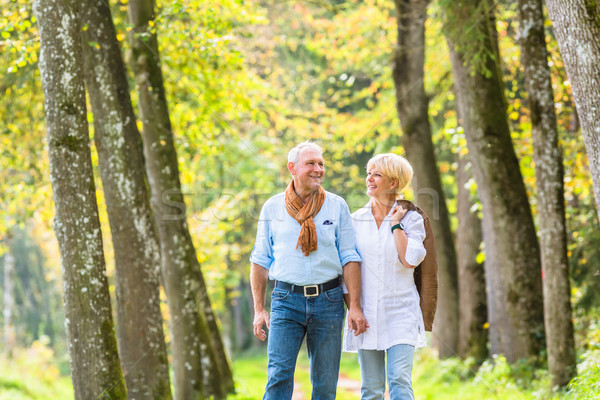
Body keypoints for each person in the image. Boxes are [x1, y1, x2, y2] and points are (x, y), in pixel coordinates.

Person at [250, 141, 368, 400]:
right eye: (311, 163)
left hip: (329, 300)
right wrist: (259, 310)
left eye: (321, 164)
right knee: (279, 376)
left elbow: (349, 257)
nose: (318, 169)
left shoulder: (337, 206)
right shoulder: (272, 207)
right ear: (292, 168)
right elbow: (260, 260)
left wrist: (355, 306)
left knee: (325, 383)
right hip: (285, 300)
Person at [343, 153, 427, 400]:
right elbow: (347, 267)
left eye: (376, 174)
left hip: (401, 312)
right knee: (371, 389)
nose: (369, 178)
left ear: (393, 183)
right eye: (368, 172)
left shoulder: (412, 218)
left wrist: (395, 225)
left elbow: (409, 260)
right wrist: (353, 309)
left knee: (399, 382)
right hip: (365, 314)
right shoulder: (355, 220)